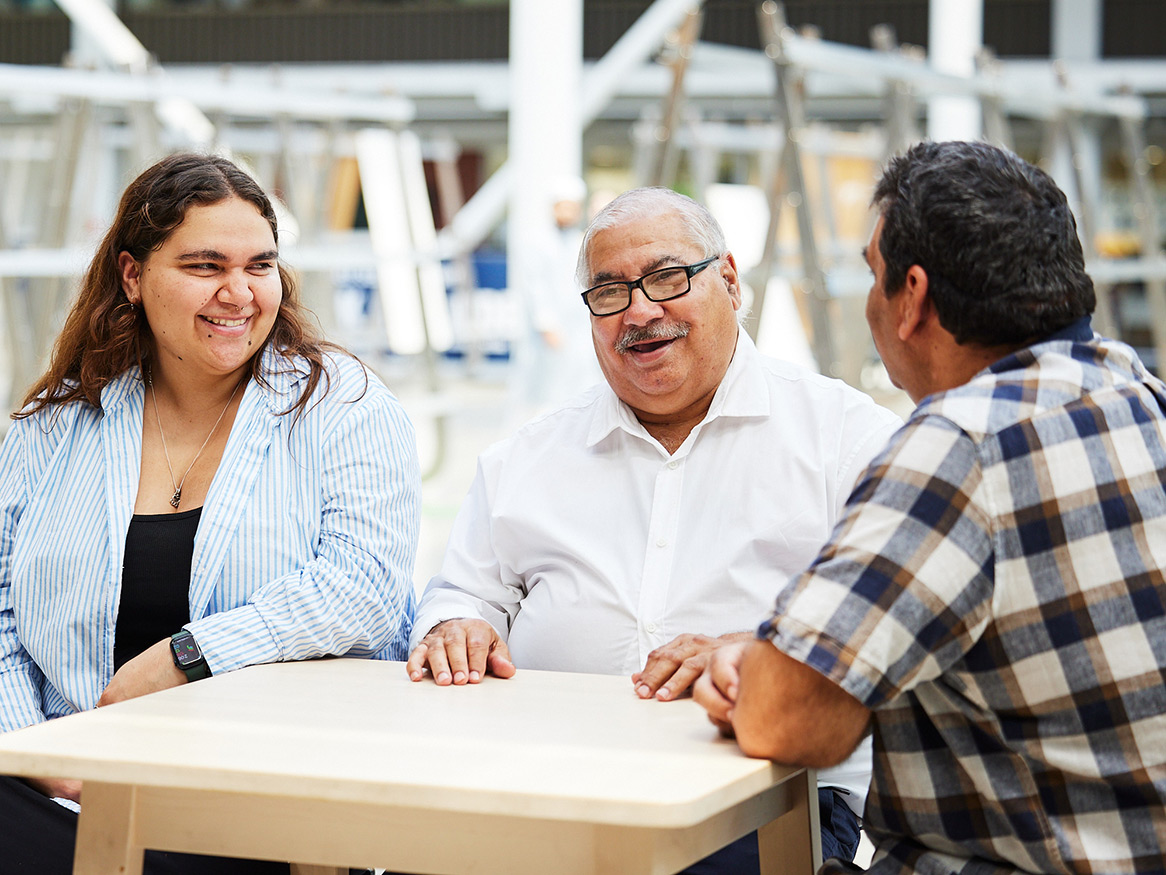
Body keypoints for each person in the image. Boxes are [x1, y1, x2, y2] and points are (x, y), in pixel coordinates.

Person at [695, 140, 1166, 875]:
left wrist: (750, 661)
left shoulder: (960, 445)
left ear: (911, 296)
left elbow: (784, 718)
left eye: (871, 274)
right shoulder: (1138, 395)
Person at [406, 186, 903, 869]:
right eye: (609, 291)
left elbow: (889, 633)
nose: (639, 310)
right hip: (541, 787)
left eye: (668, 278)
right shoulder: (529, 456)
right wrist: (458, 625)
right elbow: (463, 592)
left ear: (729, 278)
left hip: (765, 799)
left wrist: (761, 656)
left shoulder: (847, 440)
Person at [0, 152, 421, 873]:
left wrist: (188, 657)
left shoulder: (341, 404)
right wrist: (30, 748)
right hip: (70, 791)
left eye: (259, 265)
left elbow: (366, 588)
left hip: (263, 794)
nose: (240, 293)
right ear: (132, 277)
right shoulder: (57, 423)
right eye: (205, 266)